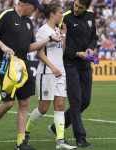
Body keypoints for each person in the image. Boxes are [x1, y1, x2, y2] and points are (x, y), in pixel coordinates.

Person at [0, 0, 62, 150]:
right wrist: (3, 46)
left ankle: (20, 143)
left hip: (23, 64)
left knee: (25, 103)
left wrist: (49, 39)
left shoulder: (28, 23)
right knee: (8, 103)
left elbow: (29, 47)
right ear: (27, 5)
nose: (35, 11)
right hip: (7, 64)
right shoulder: (7, 15)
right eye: (34, 8)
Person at [25, 3, 77, 150]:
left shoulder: (57, 30)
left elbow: (62, 51)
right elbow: (39, 53)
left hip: (60, 72)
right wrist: (53, 67)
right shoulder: (43, 31)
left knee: (60, 105)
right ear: (53, 14)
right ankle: (26, 132)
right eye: (61, 12)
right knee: (43, 108)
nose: (63, 15)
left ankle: (60, 141)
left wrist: (64, 35)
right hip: (47, 73)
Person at [49, 0, 98, 148]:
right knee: (76, 101)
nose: (76, 9)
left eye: (80, 8)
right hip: (69, 63)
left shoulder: (90, 16)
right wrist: (77, 53)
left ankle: (55, 127)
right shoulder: (65, 18)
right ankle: (80, 137)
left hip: (85, 63)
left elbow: (94, 37)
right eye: (75, 5)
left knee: (85, 101)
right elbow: (60, 45)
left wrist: (90, 48)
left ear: (87, 8)